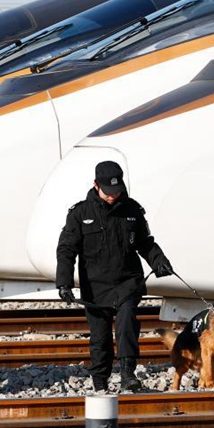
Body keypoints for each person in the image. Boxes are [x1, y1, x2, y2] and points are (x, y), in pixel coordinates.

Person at [56, 161, 173, 393]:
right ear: (95, 185)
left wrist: (159, 261)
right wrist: (64, 283)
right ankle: (100, 383)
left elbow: (145, 243)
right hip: (95, 286)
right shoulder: (80, 213)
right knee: (99, 339)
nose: (113, 196)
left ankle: (128, 374)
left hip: (127, 282)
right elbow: (66, 249)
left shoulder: (132, 211)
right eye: (108, 192)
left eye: (117, 190)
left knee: (127, 323)